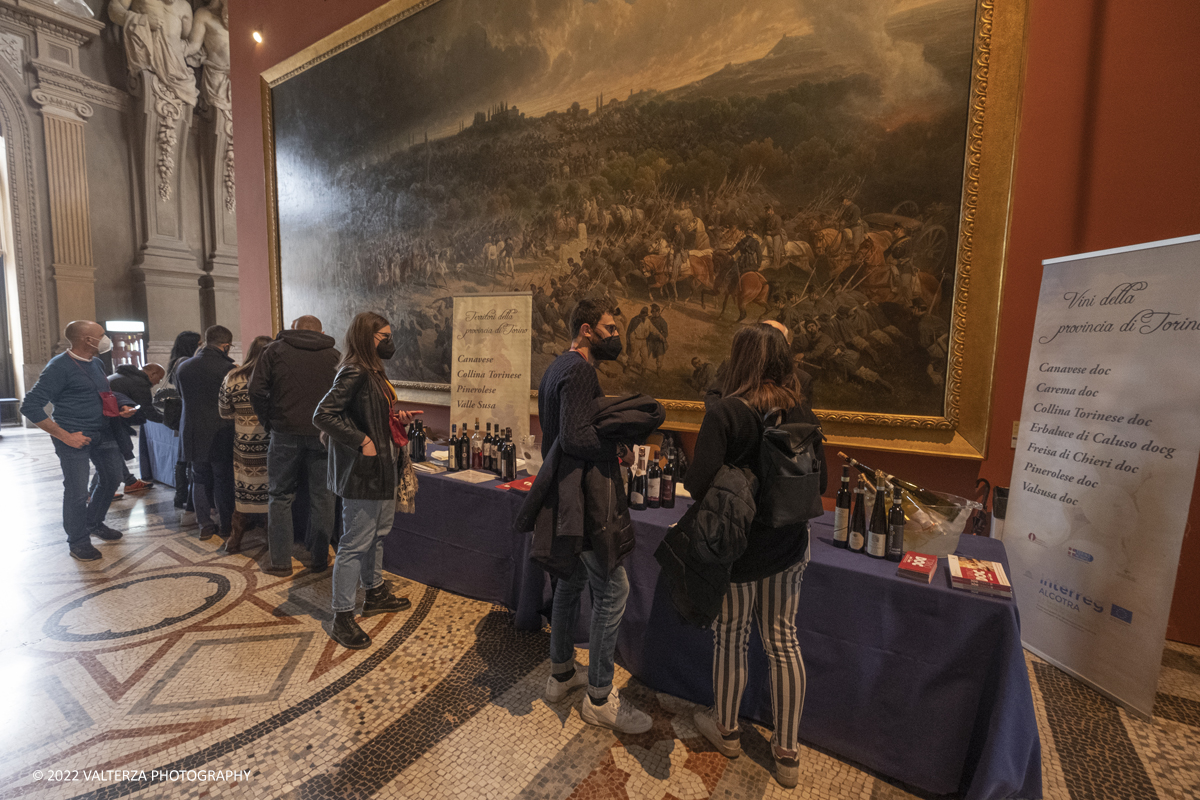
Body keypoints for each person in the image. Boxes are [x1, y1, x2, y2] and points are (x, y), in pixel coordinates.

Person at [685, 323, 827, 789]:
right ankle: (787, 755)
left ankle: (726, 731)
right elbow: (820, 486)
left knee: (731, 636)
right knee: (783, 640)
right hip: (788, 546)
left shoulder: (726, 413)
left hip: (739, 551)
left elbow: (697, 483)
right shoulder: (802, 411)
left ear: (740, 359)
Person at [536, 299, 652, 734]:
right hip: (582, 495)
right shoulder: (581, 370)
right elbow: (576, 437)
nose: (614, 335)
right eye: (608, 327)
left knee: (571, 581)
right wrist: (617, 444)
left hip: (566, 493)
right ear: (586, 330)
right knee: (613, 588)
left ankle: (562, 673)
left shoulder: (556, 367)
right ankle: (600, 698)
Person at [313, 312, 418, 649]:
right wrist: (363, 440)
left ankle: (374, 592)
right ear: (366, 338)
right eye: (383, 337)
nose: (389, 342)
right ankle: (342, 616)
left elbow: (369, 415)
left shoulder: (373, 372)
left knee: (378, 536)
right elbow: (323, 414)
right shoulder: (355, 370)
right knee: (354, 543)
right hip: (363, 472)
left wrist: (394, 418)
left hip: (383, 469)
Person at [20, 320, 138, 560]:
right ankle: (78, 541)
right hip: (74, 435)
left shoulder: (95, 363)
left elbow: (102, 394)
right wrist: (65, 436)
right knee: (76, 492)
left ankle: (94, 523)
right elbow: (30, 406)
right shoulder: (58, 367)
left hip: (103, 431)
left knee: (113, 477)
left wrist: (121, 406)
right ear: (88, 340)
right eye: (102, 335)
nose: (106, 339)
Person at [248, 315, 341, 576]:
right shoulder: (334, 355)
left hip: (285, 433)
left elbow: (255, 389)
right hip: (323, 434)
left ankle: (279, 561)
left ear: (292, 327)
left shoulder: (273, 350)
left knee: (280, 496)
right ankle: (320, 558)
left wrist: (269, 421)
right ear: (322, 331)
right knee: (323, 497)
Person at [177, 325, 236, 541]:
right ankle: (226, 524)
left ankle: (204, 524)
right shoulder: (227, 369)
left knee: (198, 478)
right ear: (226, 345)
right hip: (219, 431)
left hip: (192, 430)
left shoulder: (184, 366)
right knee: (222, 479)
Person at [219, 335, 274, 554]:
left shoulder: (233, 376)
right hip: (270, 441)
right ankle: (274, 544)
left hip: (243, 443)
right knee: (273, 492)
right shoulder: (273, 377)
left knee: (243, 491)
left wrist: (243, 416)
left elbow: (224, 411)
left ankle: (234, 541)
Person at [108, 361, 165, 491]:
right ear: (152, 374)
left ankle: (129, 482)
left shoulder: (121, 375)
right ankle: (99, 490)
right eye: (159, 378)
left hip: (110, 419)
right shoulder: (140, 382)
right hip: (112, 421)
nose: (158, 382)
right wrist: (168, 420)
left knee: (115, 453)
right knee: (113, 454)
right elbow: (147, 411)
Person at [163, 330, 201, 519]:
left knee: (183, 456)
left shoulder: (176, 360)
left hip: (182, 412)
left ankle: (181, 495)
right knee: (184, 458)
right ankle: (182, 494)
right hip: (188, 411)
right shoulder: (186, 362)